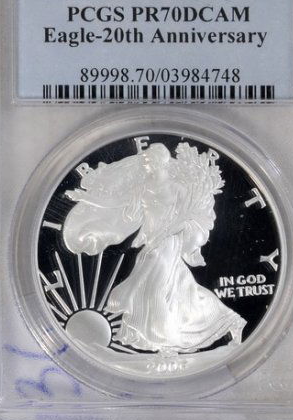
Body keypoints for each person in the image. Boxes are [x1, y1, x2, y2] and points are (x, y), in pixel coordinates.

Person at [62, 142, 245, 354]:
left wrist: (165, 233)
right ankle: (229, 321)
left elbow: (187, 217)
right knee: (181, 290)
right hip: (151, 242)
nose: (146, 164)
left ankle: (163, 339)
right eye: (146, 160)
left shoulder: (178, 189)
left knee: (153, 287)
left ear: (161, 162)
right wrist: (86, 198)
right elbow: (117, 203)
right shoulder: (143, 187)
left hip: (168, 242)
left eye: (150, 160)